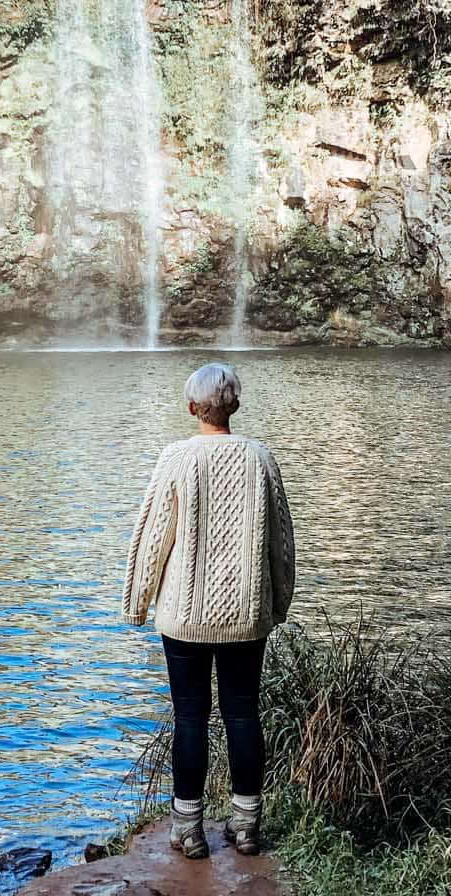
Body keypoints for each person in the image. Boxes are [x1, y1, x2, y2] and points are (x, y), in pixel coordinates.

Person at [123, 361, 296, 859]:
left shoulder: (176, 458)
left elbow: (155, 536)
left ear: (192, 407)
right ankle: (246, 827)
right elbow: (281, 543)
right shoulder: (260, 458)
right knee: (244, 715)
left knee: (190, 718)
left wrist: (136, 604)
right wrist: (277, 603)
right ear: (235, 406)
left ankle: (189, 828)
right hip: (246, 614)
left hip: (184, 616)